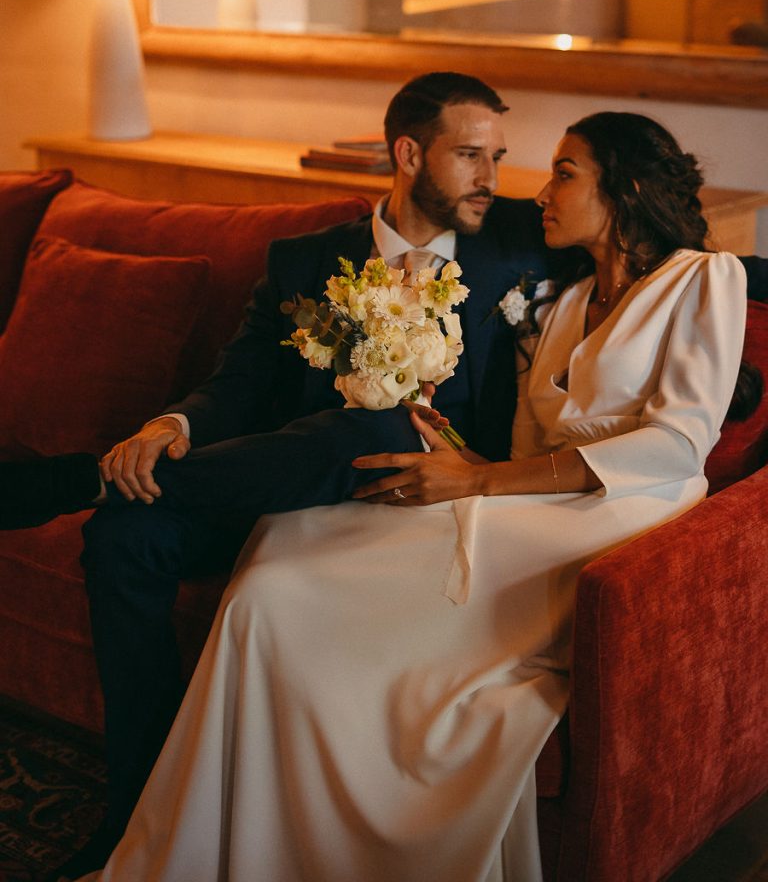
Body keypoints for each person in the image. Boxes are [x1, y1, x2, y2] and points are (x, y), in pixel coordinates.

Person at [79, 111, 749, 882]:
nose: (532, 190)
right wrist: (452, 451)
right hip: (530, 501)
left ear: (626, 187)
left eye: (563, 172)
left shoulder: (706, 277)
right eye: (486, 157)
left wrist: (481, 483)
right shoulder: (560, 305)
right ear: (408, 153)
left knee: (305, 569)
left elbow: (676, 443)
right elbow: (525, 448)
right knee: (272, 584)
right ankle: (253, 844)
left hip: (625, 519)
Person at [0, 73, 560, 879]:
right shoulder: (306, 262)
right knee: (125, 535)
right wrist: (170, 426)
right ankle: (139, 821)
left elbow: (667, 252)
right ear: (408, 154)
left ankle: (88, 477)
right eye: (470, 156)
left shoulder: (515, 239)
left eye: (496, 157)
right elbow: (238, 383)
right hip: (285, 486)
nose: (491, 178)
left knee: (381, 423)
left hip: (435, 503)